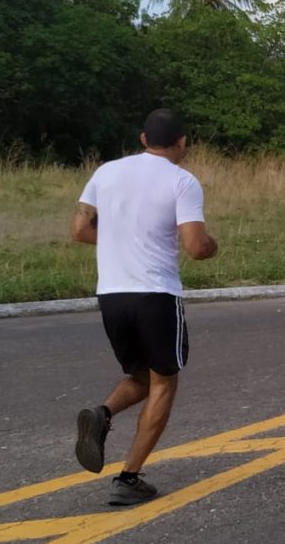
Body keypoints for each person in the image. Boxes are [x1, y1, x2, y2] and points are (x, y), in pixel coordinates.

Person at [70, 109, 218, 506]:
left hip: (111, 294)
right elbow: (195, 246)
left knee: (140, 375)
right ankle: (129, 478)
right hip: (155, 295)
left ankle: (101, 413)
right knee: (165, 382)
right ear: (183, 142)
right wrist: (212, 245)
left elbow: (81, 229)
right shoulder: (182, 181)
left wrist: (120, 237)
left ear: (142, 138)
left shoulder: (105, 172)